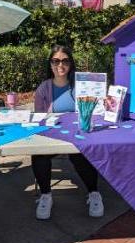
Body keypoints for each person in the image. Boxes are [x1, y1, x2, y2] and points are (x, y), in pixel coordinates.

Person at [33, 44, 104, 220]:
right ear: (50, 64)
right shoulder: (44, 88)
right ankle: (46, 195)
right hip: (53, 136)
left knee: (81, 154)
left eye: (65, 60)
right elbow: (39, 119)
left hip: (77, 135)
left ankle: (94, 193)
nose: (60, 65)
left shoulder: (80, 85)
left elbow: (96, 109)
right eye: (55, 61)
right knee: (38, 155)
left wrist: (105, 101)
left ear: (71, 63)